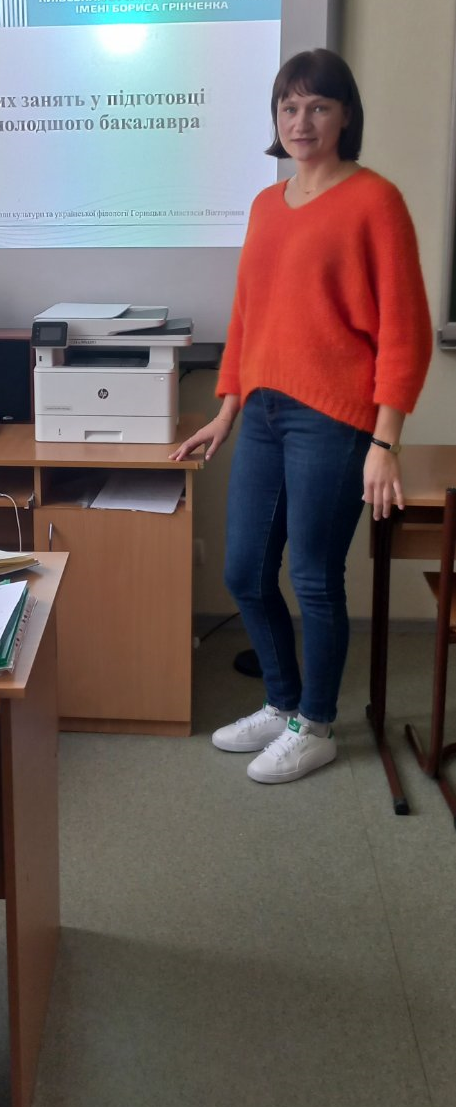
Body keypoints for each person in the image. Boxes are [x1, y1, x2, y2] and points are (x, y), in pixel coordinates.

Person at [171, 48, 432, 785]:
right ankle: (282, 703)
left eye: (318, 106)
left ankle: (314, 725)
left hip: (335, 419)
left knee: (314, 576)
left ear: (345, 115)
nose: (301, 121)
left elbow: (405, 331)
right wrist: (227, 408)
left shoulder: (375, 201)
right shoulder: (266, 204)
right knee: (244, 571)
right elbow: (248, 317)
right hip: (261, 410)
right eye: (288, 106)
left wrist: (384, 440)